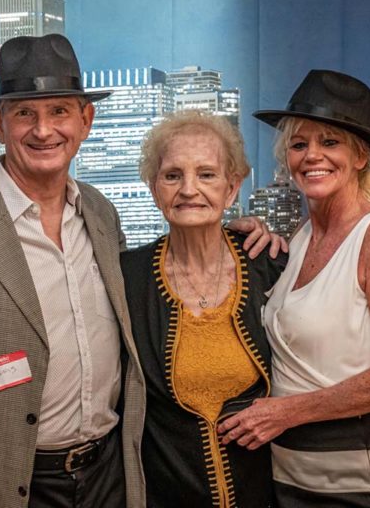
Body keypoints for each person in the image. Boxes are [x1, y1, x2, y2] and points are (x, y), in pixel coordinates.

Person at [0, 34, 278, 508]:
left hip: (109, 478)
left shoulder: (100, 214)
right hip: (1, 487)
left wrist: (238, 232)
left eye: (60, 111)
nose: (44, 130)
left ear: (86, 120)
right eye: (25, 113)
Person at [218, 70, 370, 507]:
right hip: (288, 472)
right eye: (299, 144)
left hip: (357, 479)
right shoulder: (295, 239)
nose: (312, 155)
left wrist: (283, 412)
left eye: (329, 142)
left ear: (360, 156)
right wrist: (229, 238)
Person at [120, 110, 287, 507]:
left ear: (232, 189)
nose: (189, 189)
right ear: (153, 187)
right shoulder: (124, 277)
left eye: (207, 175)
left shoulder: (271, 265)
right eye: (172, 175)